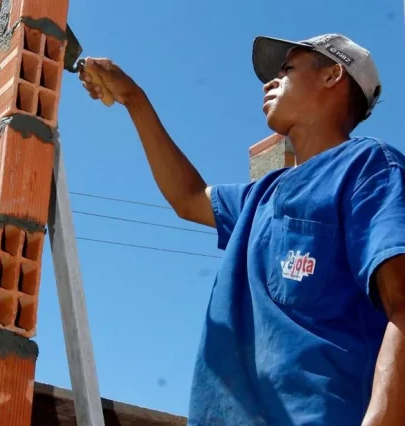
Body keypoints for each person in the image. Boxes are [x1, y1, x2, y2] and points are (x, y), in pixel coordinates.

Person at [80, 33, 405, 425]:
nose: (270, 82)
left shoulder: (368, 167)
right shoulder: (259, 196)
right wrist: (134, 98)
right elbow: (188, 197)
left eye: (287, 70)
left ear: (333, 75)